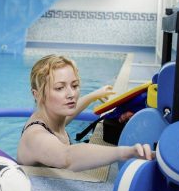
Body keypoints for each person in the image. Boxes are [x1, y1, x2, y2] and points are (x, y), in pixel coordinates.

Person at [17, 54, 153, 171]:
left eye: (75, 85)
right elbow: (67, 157)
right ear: (37, 95)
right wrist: (125, 152)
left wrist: (93, 95)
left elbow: (71, 113)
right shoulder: (35, 136)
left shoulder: (54, 118)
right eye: (59, 88)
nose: (71, 94)